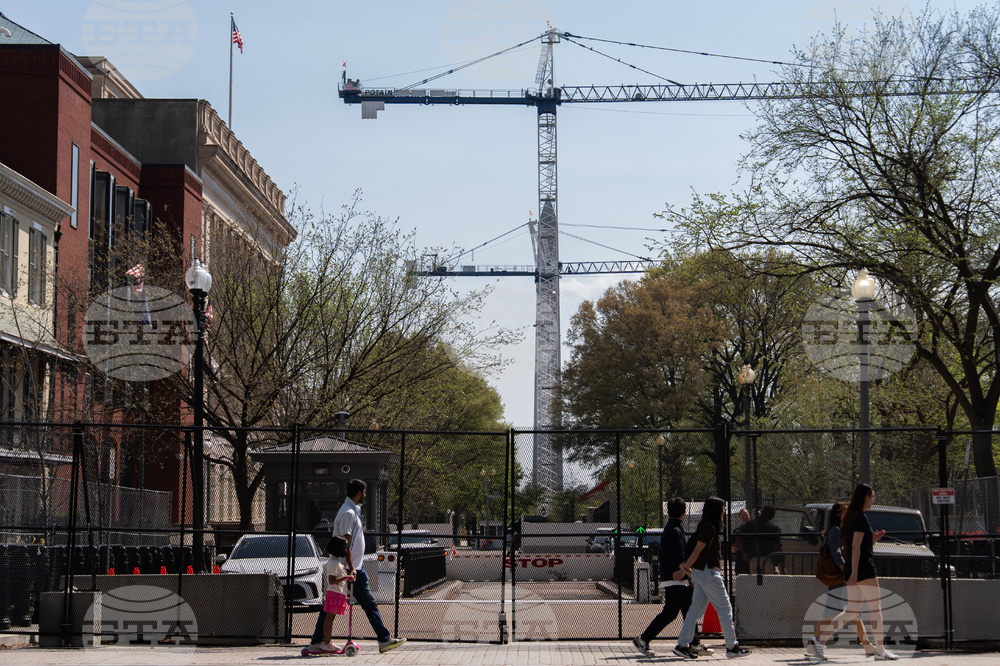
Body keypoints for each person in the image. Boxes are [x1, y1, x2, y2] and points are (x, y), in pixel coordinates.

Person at [307, 479, 406, 654]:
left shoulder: (351, 511)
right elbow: (346, 543)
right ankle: (384, 639)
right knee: (366, 604)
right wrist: (352, 568)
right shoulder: (348, 513)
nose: (365, 495)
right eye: (364, 492)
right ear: (359, 493)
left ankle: (317, 641)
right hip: (349, 569)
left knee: (334, 605)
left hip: (352, 567)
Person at [810, 484, 899, 661]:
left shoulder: (852, 517)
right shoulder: (860, 517)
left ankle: (819, 641)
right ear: (865, 496)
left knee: (851, 612)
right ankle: (880, 651)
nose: (873, 499)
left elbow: (858, 544)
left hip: (855, 568)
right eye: (872, 496)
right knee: (875, 609)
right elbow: (856, 547)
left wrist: (871, 540)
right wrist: (854, 574)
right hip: (863, 568)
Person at [672, 497, 751, 659]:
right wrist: (684, 570)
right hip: (708, 573)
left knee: (695, 611)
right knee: (725, 609)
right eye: (723, 508)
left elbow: (697, 551)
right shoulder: (709, 527)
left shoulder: (706, 526)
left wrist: (688, 570)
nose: (724, 511)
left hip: (701, 573)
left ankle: (682, 645)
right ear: (717, 510)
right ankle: (732, 647)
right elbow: (697, 551)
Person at [632, 498, 712, 657]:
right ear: (684, 513)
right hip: (675, 578)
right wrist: (690, 575)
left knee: (688, 611)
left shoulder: (672, 528)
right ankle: (643, 639)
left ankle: (694, 642)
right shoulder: (675, 531)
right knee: (671, 612)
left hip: (677, 577)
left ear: (668, 512)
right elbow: (679, 558)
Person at [807, 502, 875, 659]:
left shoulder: (844, 530)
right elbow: (836, 552)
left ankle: (867, 646)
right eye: (847, 511)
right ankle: (814, 644)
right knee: (832, 613)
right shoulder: (836, 530)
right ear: (839, 514)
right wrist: (845, 569)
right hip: (841, 577)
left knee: (854, 614)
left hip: (845, 578)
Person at [311, 536, 355, 654]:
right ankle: (327, 643)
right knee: (329, 618)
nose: (346, 549)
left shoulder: (335, 561)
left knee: (330, 618)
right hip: (334, 593)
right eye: (344, 547)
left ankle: (327, 641)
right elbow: (332, 580)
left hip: (338, 592)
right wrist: (346, 577)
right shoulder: (333, 562)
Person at [740, 505, 785, 574]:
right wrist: (782, 566)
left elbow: (738, 535)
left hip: (753, 559)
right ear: (771, 515)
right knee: (768, 580)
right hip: (768, 559)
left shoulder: (750, 524)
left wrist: (744, 552)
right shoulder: (773, 527)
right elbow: (778, 547)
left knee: (755, 580)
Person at [731, 509, 752, 574]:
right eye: (742, 515)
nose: (744, 517)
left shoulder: (753, 529)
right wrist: (734, 549)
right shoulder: (736, 531)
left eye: (746, 515)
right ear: (739, 517)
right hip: (740, 558)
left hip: (751, 556)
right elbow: (732, 547)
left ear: (749, 516)